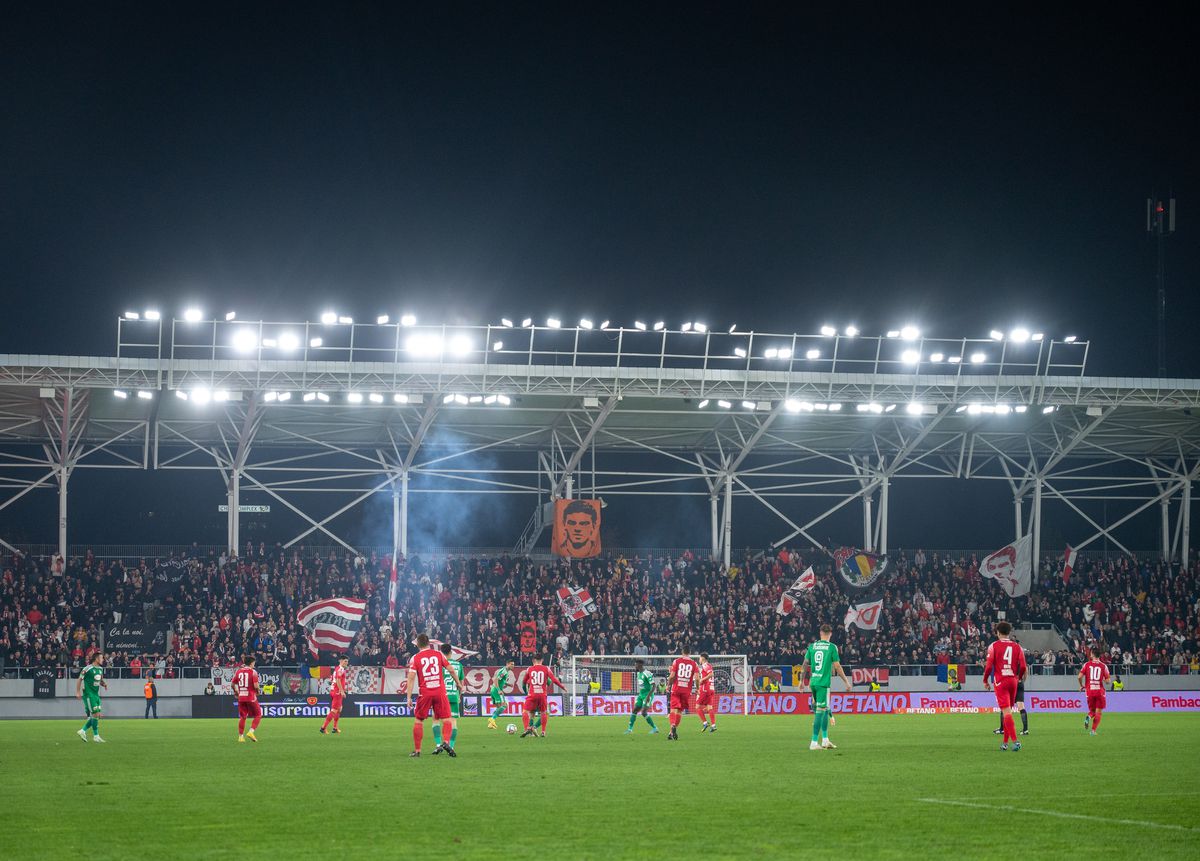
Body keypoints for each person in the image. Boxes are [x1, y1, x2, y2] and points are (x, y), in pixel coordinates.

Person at [799, 624, 853, 750]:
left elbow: (805, 663)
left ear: (820, 633)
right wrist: (846, 682)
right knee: (820, 712)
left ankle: (825, 740)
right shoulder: (832, 647)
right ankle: (813, 742)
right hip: (823, 683)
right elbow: (837, 666)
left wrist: (801, 681)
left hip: (813, 682)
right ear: (831, 634)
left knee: (823, 709)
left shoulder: (812, 646)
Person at [405, 633, 455, 758]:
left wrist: (409, 697)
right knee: (447, 719)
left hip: (425, 693)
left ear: (417, 644)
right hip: (440, 692)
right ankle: (446, 742)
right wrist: (459, 684)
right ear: (429, 643)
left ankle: (417, 751)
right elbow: (451, 670)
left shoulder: (415, 658)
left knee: (419, 720)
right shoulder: (439, 654)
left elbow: (411, 678)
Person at [983, 621, 1028, 751]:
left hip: (1000, 681)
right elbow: (1023, 666)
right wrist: (1018, 677)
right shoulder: (1017, 647)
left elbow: (988, 667)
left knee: (1006, 712)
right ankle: (1005, 743)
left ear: (997, 632)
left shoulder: (993, 646)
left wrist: (985, 681)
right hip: (1013, 681)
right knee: (1008, 712)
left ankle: (1016, 741)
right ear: (1009, 632)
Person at [519, 652, 564, 738]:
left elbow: (524, 683)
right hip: (542, 695)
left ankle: (529, 729)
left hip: (532, 695)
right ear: (542, 660)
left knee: (530, 713)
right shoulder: (545, 669)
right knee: (545, 713)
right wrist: (546, 681)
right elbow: (550, 682)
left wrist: (526, 693)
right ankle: (539, 729)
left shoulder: (530, 670)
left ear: (533, 660)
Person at [431, 643, 463, 754]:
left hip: (440, 696)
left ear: (441, 652)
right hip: (454, 696)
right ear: (451, 652)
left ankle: (438, 745)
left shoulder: (438, 664)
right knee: (453, 722)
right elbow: (461, 684)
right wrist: (459, 696)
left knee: (436, 719)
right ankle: (451, 746)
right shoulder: (459, 665)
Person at [995, 637, 1029, 736]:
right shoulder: (1020, 655)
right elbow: (1025, 669)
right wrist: (1022, 680)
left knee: (1005, 706)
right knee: (1021, 706)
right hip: (1019, 683)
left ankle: (1002, 729)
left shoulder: (1008, 657)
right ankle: (1025, 730)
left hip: (1010, 682)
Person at [666, 648, 698, 741]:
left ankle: (672, 725)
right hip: (686, 691)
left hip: (676, 689)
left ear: (682, 652)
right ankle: (671, 733)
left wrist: (668, 685)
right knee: (680, 711)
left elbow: (672, 676)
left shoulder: (676, 661)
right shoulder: (694, 664)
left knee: (673, 710)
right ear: (690, 652)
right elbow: (697, 678)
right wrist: (698, 689)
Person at [1078, 646, 1111, 735]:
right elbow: (1108, 681)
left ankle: (1088, 717)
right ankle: (1093, 731)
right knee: (1098, 712)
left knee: (1092, 711)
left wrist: (1081, 686)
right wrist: (1103, 679)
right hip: (1099, 691)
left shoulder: (1086, 664)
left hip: (1089, 691)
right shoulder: (1103, 666)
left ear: (1092, 654)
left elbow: (1079, 677)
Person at [76, 652, 107, 743]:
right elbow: (79, 679)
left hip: (96, 694)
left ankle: (83, 731)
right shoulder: (87, 668)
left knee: (97, 715)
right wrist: (78, 692)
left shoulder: (100, 669)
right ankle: (95, 736)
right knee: (95, 714)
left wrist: (104, 684)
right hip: (89, 694)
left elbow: (100, 680)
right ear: (96, 659)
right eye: (101, 658)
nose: (103, 660)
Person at [624, 658, 659, 735]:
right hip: (641, 695)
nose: (635, 666)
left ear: (640, 664)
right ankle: (629, 729)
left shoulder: (647, 673)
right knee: (635, 710)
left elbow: (654, 686)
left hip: (648, 695)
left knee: (643, 712)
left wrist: (648, 697)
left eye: (636, 665)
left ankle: (655, 728)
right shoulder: (638, 674)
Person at [233, 654, 262, 743]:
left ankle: (240, 737)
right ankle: (251, 732)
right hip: (251, 696)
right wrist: (258, 691)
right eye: (254, 663)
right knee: (258, 715)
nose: (254, 665)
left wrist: (236, 692)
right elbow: (256, 686)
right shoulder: (253, 672)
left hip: (241, 697)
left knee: (243, 717)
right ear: (251, 663)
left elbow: (232, 684)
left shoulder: (238, 671)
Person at [320, 655, 350, 735]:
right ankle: (323, 728)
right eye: (345, 661)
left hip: (334, 691)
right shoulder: (340, 669)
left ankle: (335, 728)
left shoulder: (337, 669)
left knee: (339, 709)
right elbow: (338, 680)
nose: (346, 663)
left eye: (347, 661)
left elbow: (334, 679)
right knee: (334, 710)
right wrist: (342, 691)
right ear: (340, 661)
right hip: (337, 692)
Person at [486, 660, 514, 729]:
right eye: (511, 664)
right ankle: (492, 719)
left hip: (493, 689)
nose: (513, 666)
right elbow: (496, 680)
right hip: (496, 690)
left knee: (499, 707)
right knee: (504, 705)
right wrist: (499, 690)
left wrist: (508, 684)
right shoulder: (504, 671)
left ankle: (491, 723)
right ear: (507, 664)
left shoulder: (505, 671)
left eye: (513, 664)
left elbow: (501, 680)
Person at [696, 653, 717, 733]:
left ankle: (705, 723)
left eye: (699, 658)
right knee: (709, 708)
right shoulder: (708, 665)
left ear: (702, 658)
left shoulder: (706, 665)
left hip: (705, 688)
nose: (699, 660)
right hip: (711, 689)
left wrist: (702, 679)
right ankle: (713, 725)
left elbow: (711, 674)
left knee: (697, 707)